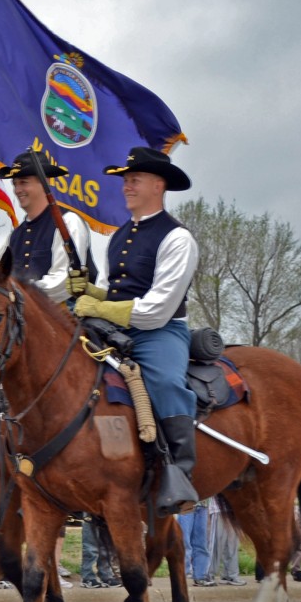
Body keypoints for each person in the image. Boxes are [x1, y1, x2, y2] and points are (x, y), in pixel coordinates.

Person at [70, 147, 199, 515]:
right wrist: (88, 291)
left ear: (158, 185)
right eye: (125, 180)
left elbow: (156, 309)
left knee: (165, 384)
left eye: (134, 180)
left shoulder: (177, 238)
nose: (126, 186)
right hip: (111, 326)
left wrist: (98, 305)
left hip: (159, 333)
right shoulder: (119, 234)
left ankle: (179, 471)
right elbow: (114, 289)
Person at [0, 149, 91, 303]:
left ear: (45, 182)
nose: (17, 190)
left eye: (24, 182)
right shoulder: (15, 235)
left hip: (65, 315)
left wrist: (17, 294)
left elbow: (63, 282)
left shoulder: (68, 222)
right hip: (21, 314)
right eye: (15, 184)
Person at [207, 497, 245, 585]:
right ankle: (209, 574)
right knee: (216, 544)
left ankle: (230, 575)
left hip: (233, 510)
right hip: (218, 510)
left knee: (233, 544)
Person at [179, 498, 214, 587]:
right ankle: (181, 576)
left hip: (203, 504)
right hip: (185, 504)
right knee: (184, 542)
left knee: (201, 543)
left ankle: (200, 576)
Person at [79, 515, 120, 589]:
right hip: (90, 508)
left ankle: (106, 576)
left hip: (106, 508)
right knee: (90, 545)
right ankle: (87, 577)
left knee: (106, 545)